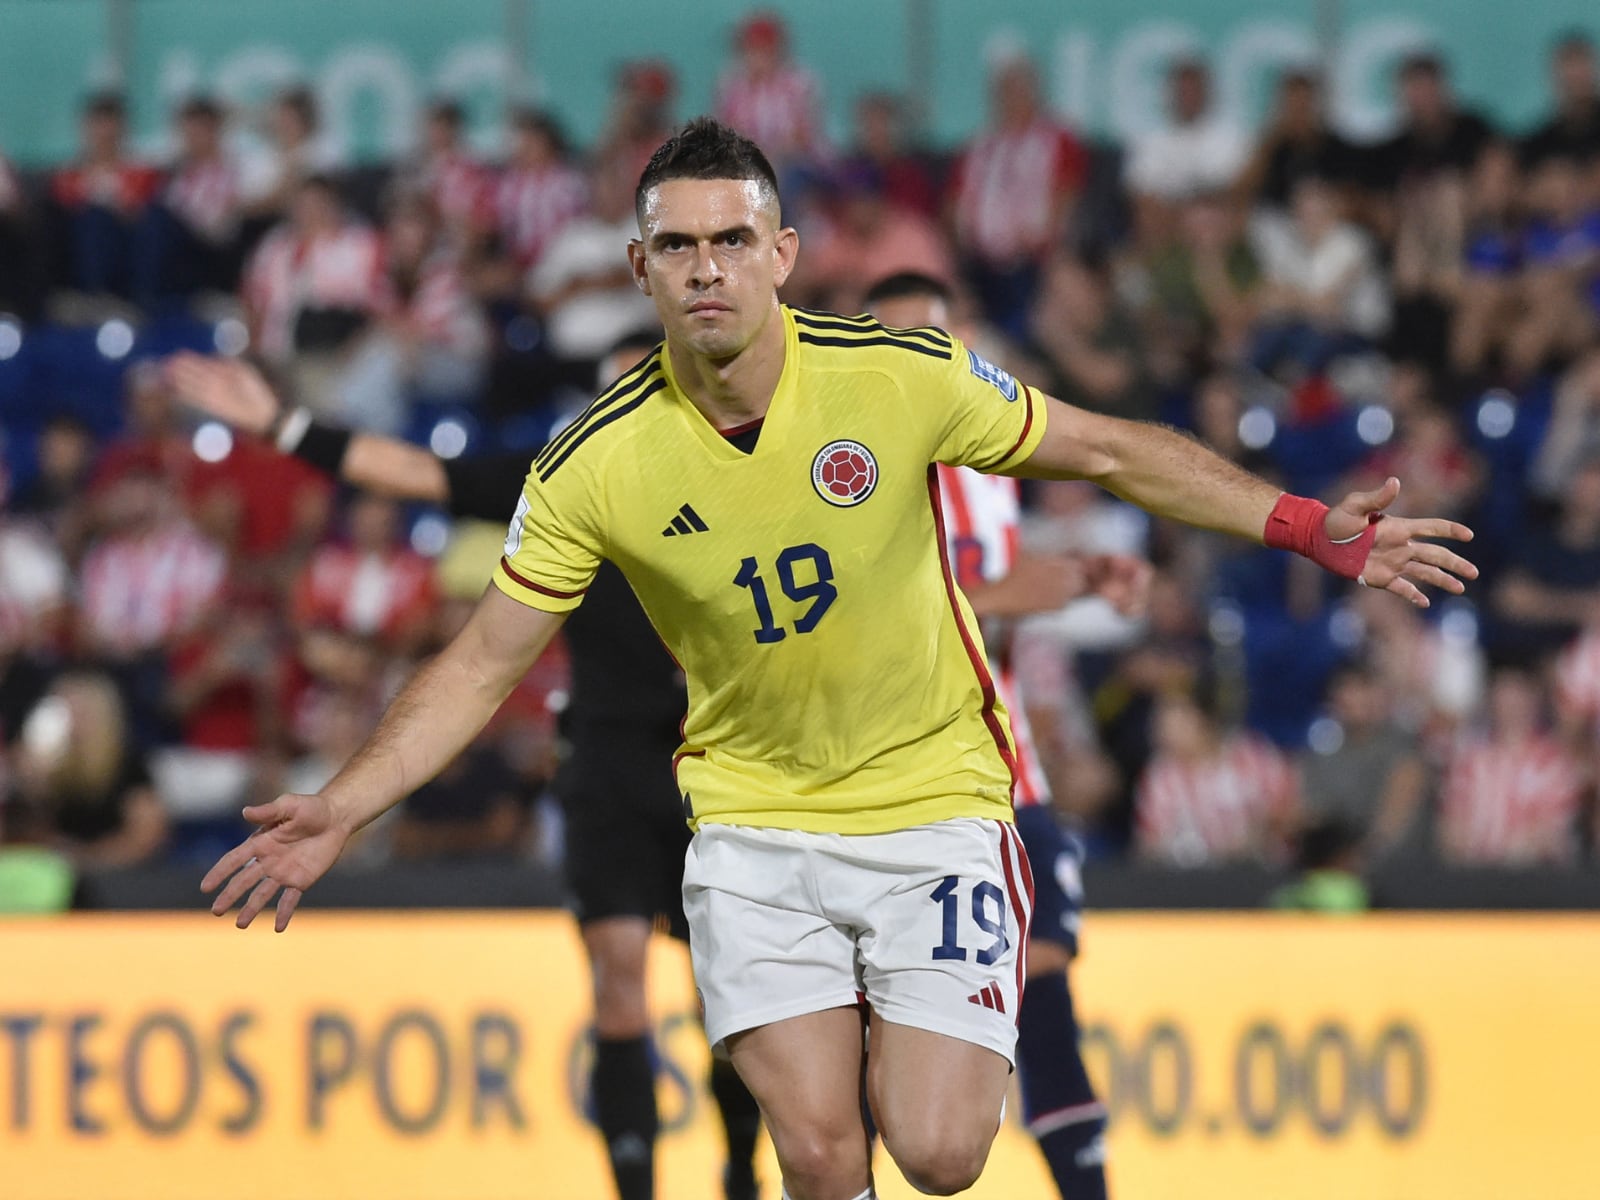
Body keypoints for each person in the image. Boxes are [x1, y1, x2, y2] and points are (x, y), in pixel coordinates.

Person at [200, 119, 1475, 1200]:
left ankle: (892, 1025)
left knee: (937, 1152)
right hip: (753, 825)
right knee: (813, 1157)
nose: (709, 270)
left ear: (784, 256)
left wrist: (1310, 529)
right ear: (639, 267)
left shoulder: (895, 378)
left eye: (733, 240)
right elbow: (481, 662)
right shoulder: (592, 462)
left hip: (931, 803)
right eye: (680, 246)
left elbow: (1106, 452)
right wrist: (340, 810)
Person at [167, 332, 767, 1200]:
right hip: (606, 756)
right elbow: (418, 474)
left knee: (728, 998)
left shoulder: (750, 479)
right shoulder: (571, 476)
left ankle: (741, 1173)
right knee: (619, 984)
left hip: (720, 764)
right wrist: (287, 426)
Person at [865, 270, 1125, 1198]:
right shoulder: (850, 476)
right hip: (893, 787)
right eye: (890, 340)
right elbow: (863, 618)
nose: (912, 359)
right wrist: (1014, 591)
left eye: (928, 337)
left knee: (1044, 980)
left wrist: (1081, 575)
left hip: (1008, 774)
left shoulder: (990, 462)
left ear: (959, 336)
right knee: (882, 1042)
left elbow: (1001, 603)